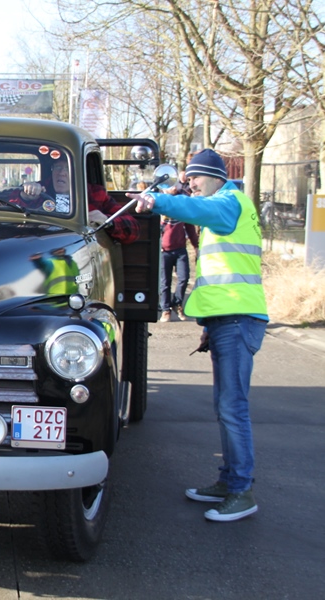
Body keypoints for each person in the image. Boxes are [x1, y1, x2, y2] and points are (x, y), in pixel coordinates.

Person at [128, 148, 268, 522]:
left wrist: (157, 200)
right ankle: (229, 482)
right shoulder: (225, 206)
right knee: (226, 406)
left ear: (215, 176)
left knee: (233, 408)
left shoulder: (228, 203)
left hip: (238, 319)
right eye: (186, 178)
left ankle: (241, 491)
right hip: (227, 320)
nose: (189, 183)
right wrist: (207, 325)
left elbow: (193, 209)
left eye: (194, 177)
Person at [158, 209, 199, 321]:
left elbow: (190, 228)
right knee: (165, 282)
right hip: (164, 251)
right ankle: (166, 310)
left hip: (180, 250)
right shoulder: (160, 210)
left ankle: (177, 303)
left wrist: (195, 246)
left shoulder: (181, 210)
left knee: (184, 278)